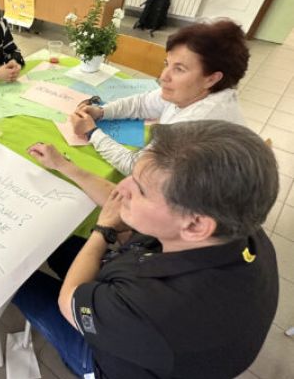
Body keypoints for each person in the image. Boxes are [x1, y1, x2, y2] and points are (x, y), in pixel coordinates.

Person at [16, 120, 279, 378]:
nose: (122, 187)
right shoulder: (234, 224)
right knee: (58, 247)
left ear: (196, 225)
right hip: (158, 328)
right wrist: (64, 165)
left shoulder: (152, 306)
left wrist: (103, 230)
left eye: (140, 190)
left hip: (114, 363)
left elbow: (67, 301)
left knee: (20, 279)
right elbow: (120, 202)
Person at [70, 19, 248, 175]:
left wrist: (91, 132)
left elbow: (138, 168)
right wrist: (101, 112)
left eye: (179, 69)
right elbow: (142, 104)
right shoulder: (191, 91)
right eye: (167, 64)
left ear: (211, 79)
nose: (163, 76)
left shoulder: (196, 126)